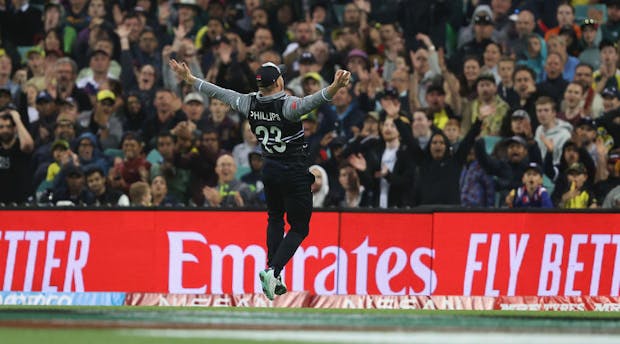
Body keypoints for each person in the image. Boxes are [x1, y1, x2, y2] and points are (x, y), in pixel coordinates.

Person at [168, 58, 351, 300]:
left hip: (270, 169)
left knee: (275, 218)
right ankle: (274, 270)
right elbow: (315, 100)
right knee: (299, 227)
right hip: (294, 172)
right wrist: (336, 86)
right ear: (278, 82)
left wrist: (192, 81)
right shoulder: (288, 106)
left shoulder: (248, 103)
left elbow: (221, 93)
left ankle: (273, 271)